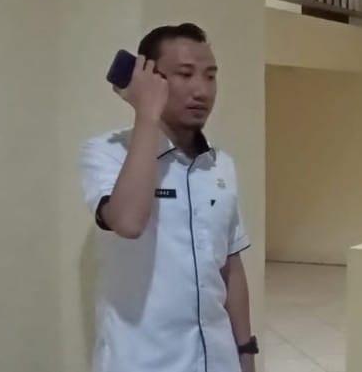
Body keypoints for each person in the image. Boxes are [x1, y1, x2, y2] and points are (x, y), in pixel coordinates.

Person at [80, 23, 257, 372]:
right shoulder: (106, 152)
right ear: (149, 77)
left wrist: (246, 355)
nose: (201, 90)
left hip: (217, 361)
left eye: (210, 76)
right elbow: (128, 221)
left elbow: (230, 267)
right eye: (185, 74)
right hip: (142, 361)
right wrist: (146, 113)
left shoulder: (221, 165)